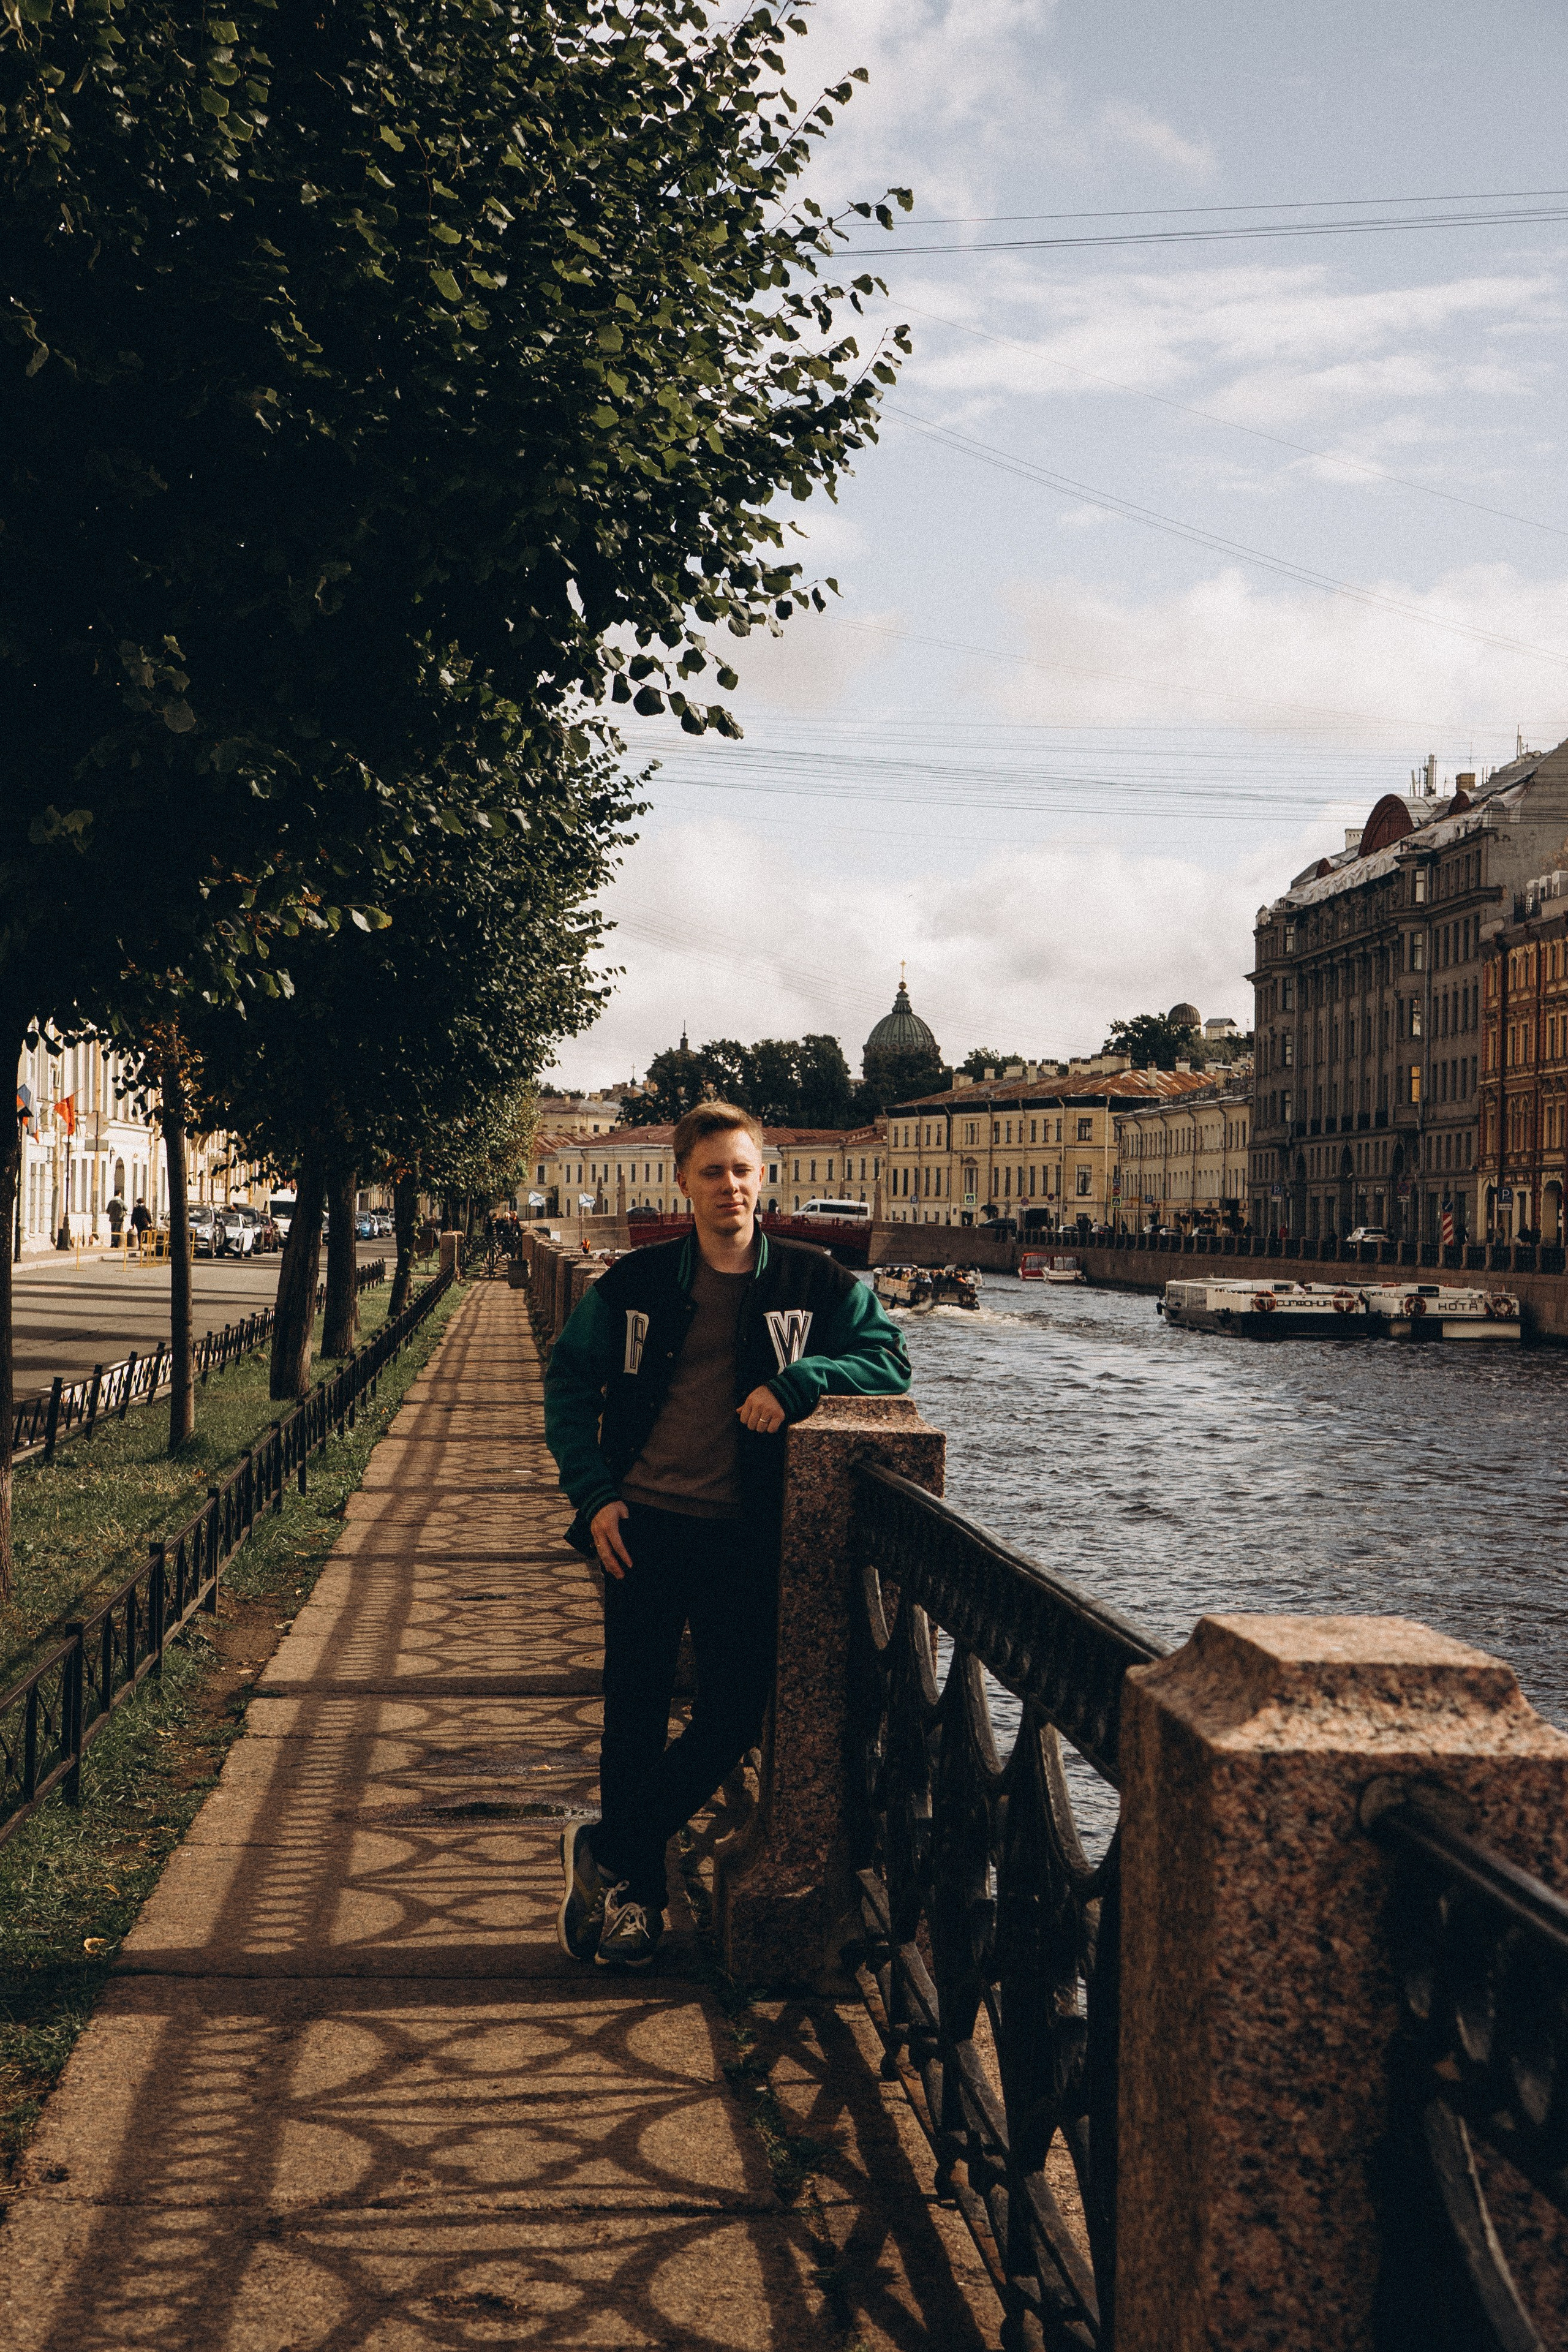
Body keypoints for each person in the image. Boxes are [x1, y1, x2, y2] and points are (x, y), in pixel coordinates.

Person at [543, 1101, 910, 1971]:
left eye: (743, 1171)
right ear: (683, 1182)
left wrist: (806, 1380)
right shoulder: (635, 1283)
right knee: (632, 1715)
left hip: (745, 1536)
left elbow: (889, 1360)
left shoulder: (815, 1283)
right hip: (639, 1526)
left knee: (734, 1711)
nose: (731, 1187)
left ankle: (609, 1846)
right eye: (712, 1172)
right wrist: (594, 1495)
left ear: (763, 1178)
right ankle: (636, 1908)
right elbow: (568, 1381)